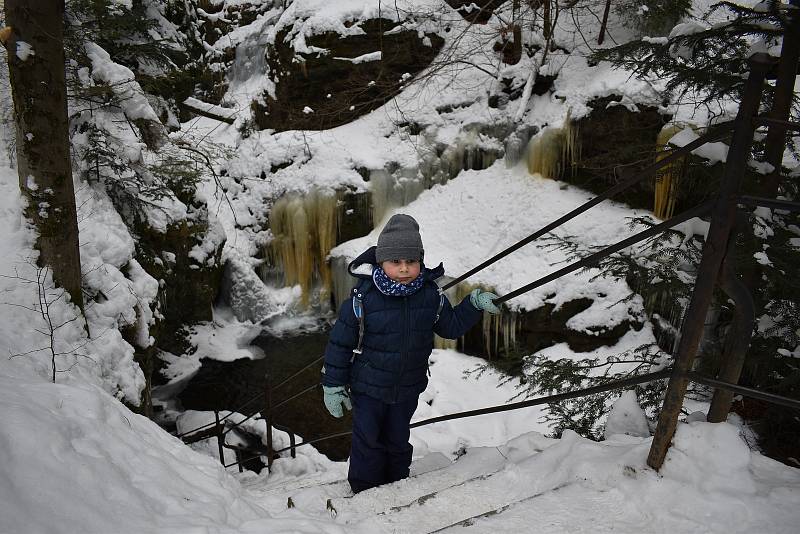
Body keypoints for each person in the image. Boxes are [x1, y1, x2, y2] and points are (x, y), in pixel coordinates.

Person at [320, 213, 500, 493]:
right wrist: (333, 384)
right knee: (368, 440)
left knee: (398, 438)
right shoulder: (363, 297)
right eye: (396, 262)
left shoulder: (430, 295)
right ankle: (365, 491)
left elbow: (450, 327)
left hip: (406, 387)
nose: (404, 269)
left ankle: (396, 486)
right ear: (381, 262)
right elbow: (340, 343)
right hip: (368, 387)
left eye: (411, 262)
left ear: (420, 262)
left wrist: (472, 304)